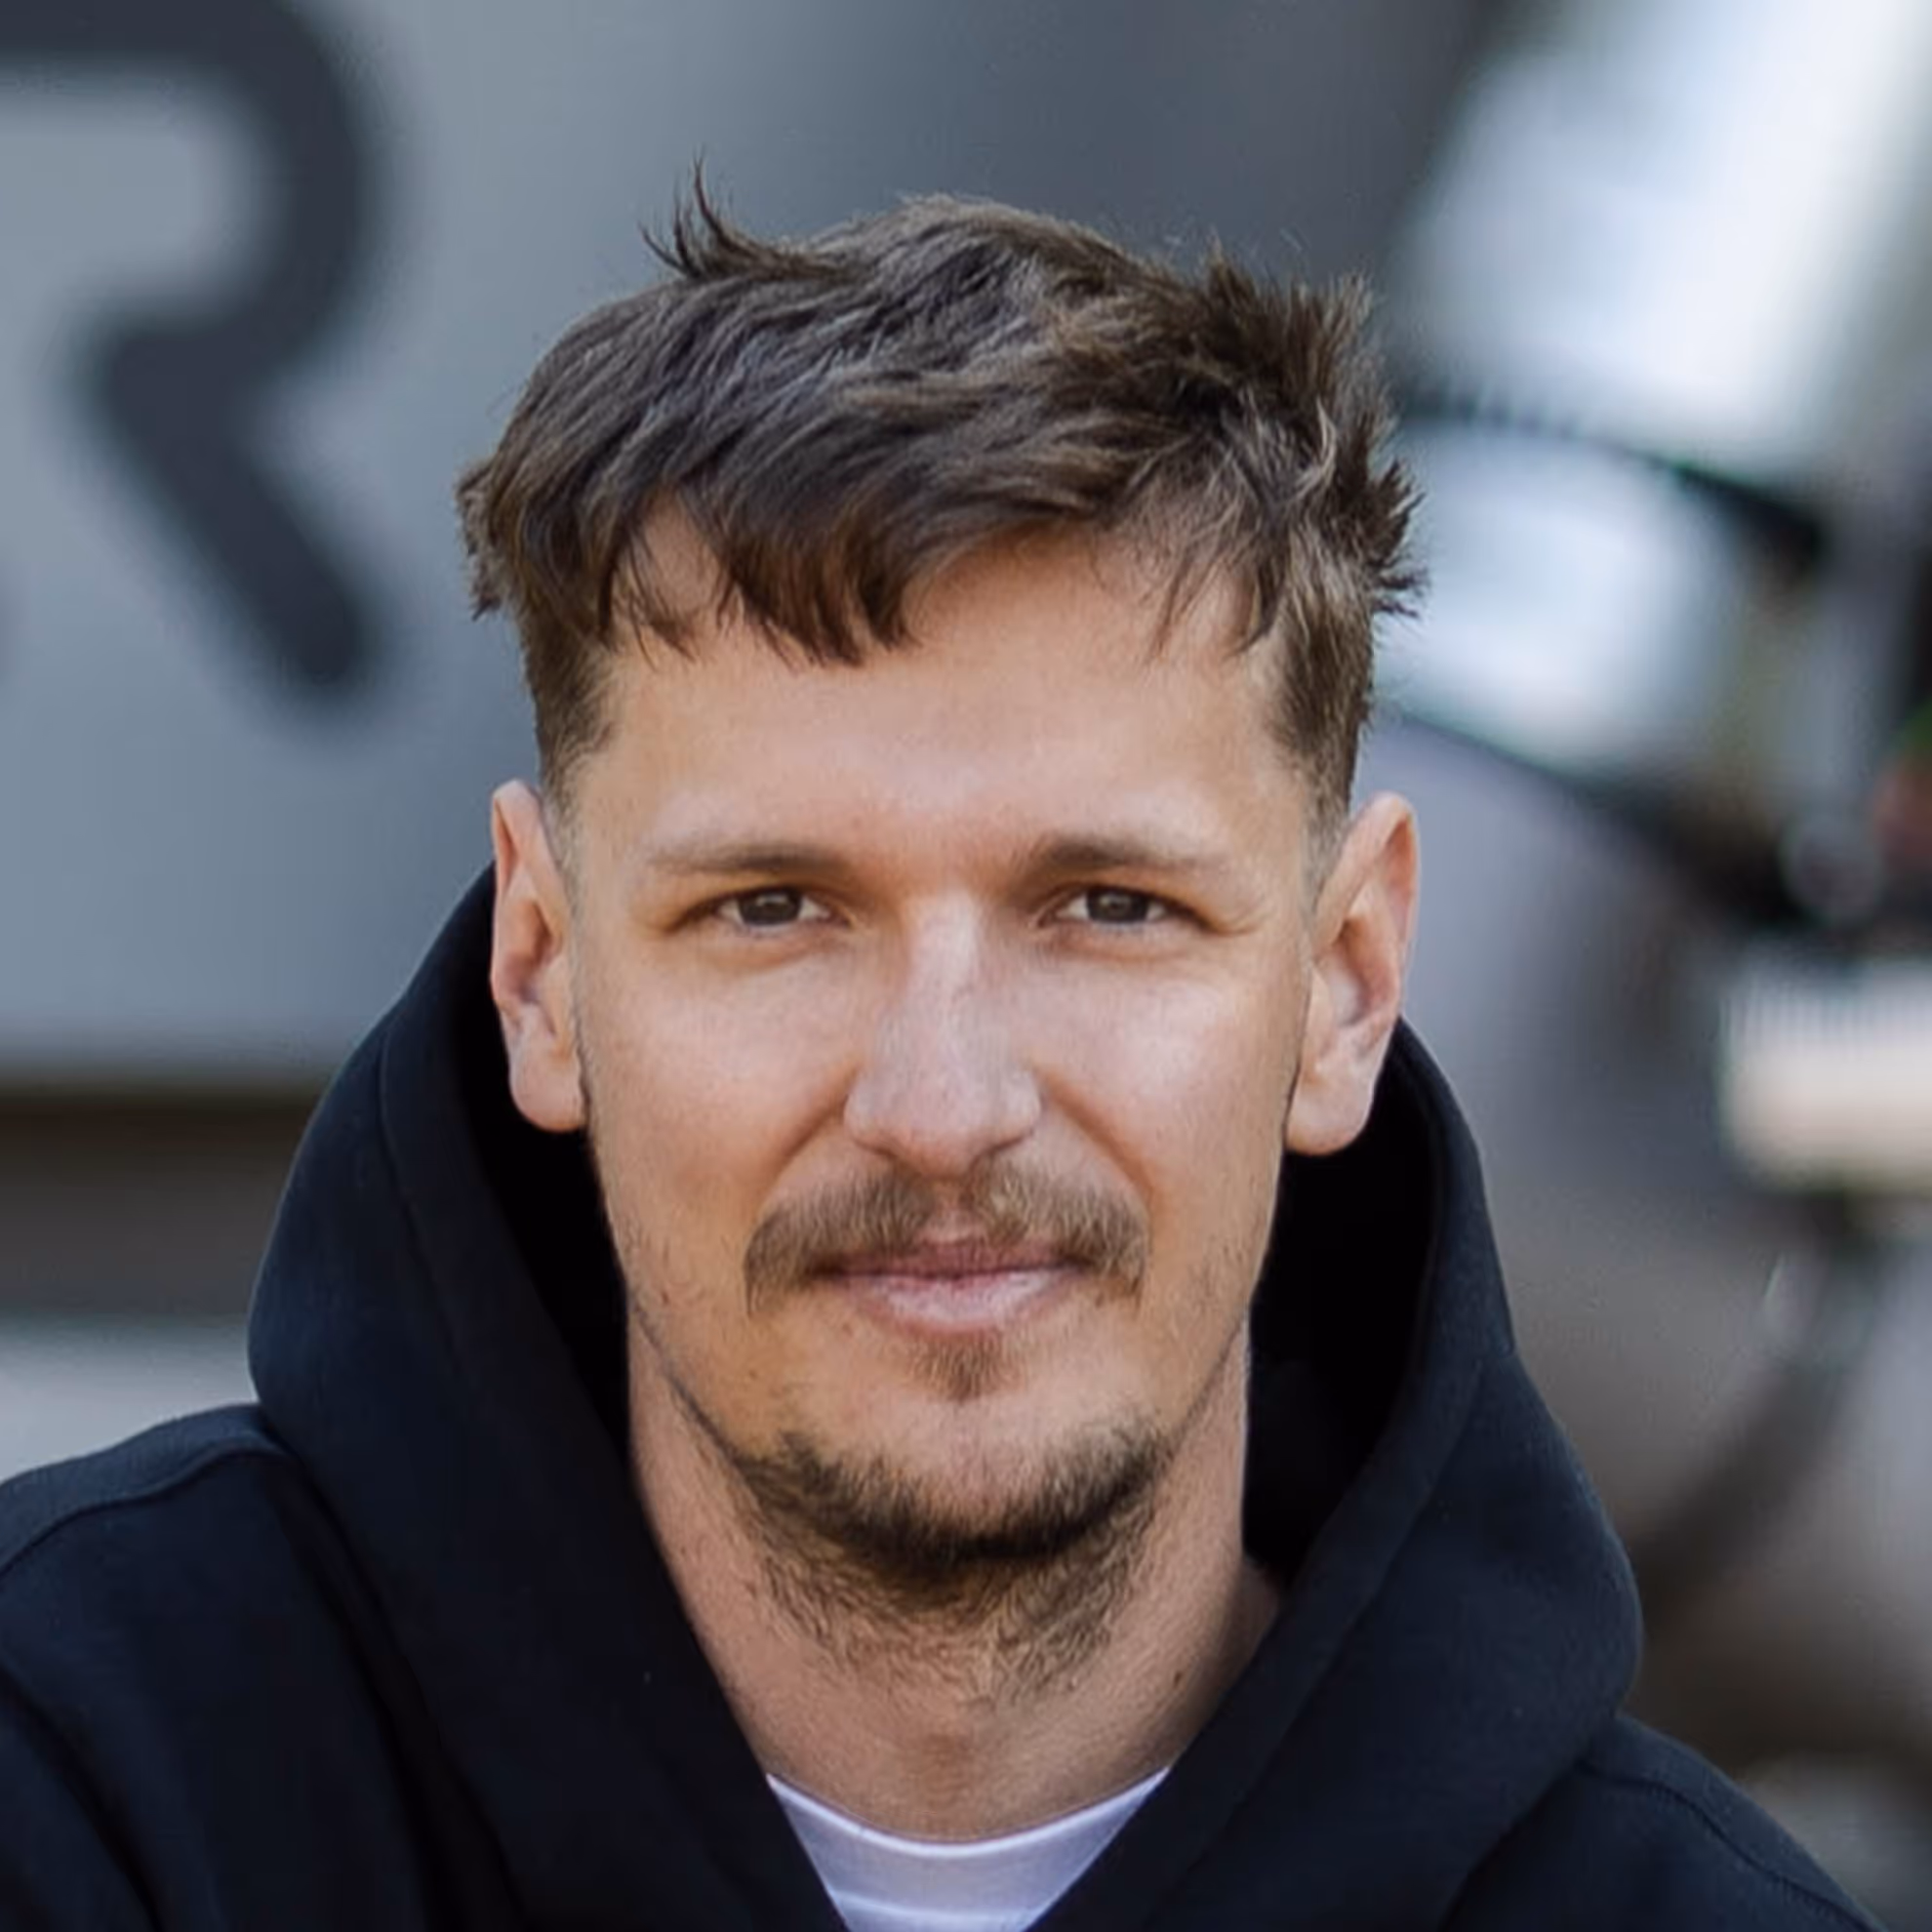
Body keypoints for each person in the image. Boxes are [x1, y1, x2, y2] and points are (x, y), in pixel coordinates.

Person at [0, 190, 1881, 1931]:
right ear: (543, 971)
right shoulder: (79, 1790)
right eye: (775, 910)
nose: (943, 1104)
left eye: (1109, 908)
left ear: (1349, 983)